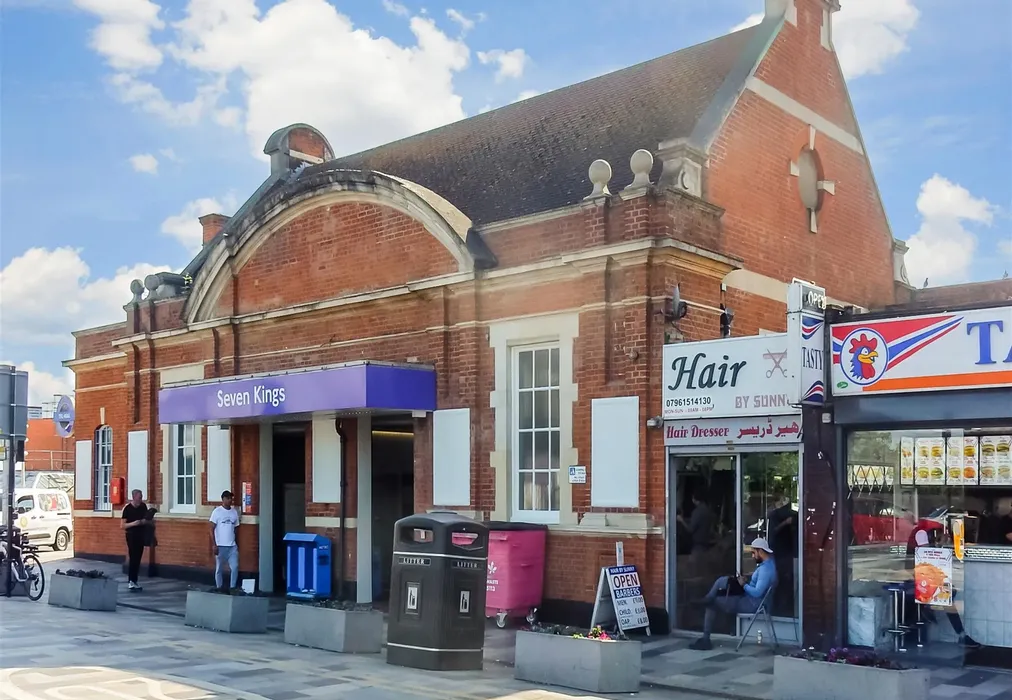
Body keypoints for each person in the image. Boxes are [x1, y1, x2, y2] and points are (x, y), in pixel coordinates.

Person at [689, 537, 778, 651]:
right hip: (750, 599)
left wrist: (743, 585)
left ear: (760, 551)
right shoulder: (769, 565)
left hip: (751, 604)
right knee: (723, 581)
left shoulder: (765, 570)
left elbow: (757, 593)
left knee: (712, 604)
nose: (752, 556)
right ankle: (707, 599)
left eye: (753, 553)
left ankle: (706, 639)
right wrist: (746, 582)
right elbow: (759, 586)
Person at [209, 490, 240, 591]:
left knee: (235, 567)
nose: (230, 500)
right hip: (220, 545)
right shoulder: (217, 512)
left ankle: (232, 587)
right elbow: (211, 529)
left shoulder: (234, 512)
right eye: (227, 498)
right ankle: (219, 587)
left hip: (232, 546)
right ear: (223, 499)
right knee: (219, 569)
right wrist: (214, 545)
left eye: (231, 498)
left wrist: (236, 542)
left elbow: (236, 528)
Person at [121, 490, 151, 591]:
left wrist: (144, 521)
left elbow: (147, 519)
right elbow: (122, 525)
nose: (140, 499)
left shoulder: (143, 507)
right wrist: (134, 523)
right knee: (133, 557)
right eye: (139, 497)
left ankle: (134, 581)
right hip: (131, 536)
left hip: (141, 535)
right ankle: (131, 580)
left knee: (138, 557)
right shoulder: (127, 509)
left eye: (141, 497)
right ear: (134, 497)